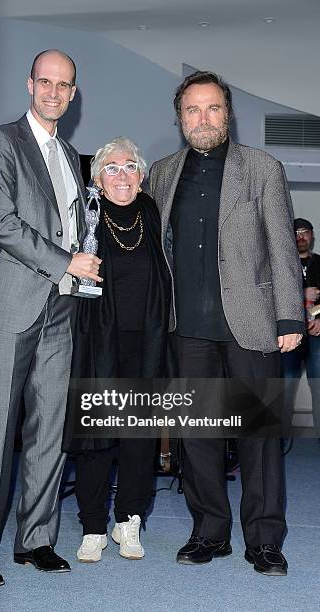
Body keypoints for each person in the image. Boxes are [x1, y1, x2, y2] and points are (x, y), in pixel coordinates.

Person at [0, 137, 171, 563]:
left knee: (139, 438)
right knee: (95, 437)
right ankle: (93, 526)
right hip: (95, 339)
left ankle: (130, 521)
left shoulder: (155, 212)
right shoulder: (84, 213)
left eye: (130, 167)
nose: (123, 174)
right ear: (97, 178)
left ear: (141, 176)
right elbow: (35, 230)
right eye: (112, 167)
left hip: (148, 341)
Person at [0, 49, 102, 589]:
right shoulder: (0, 141)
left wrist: (81, 263)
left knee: (48, 430)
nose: (54, 92)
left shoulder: (71, 155)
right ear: (29, 84)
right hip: (12, 303)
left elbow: (75, 225)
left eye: (65, 85)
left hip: (62, 307)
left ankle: (35, 539)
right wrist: (68, 262)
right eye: (46, 82)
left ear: (74, 93)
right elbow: (2, 221)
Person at [147, 70, 304, 576]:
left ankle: (263, 539)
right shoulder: (162, 173)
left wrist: (289, 316)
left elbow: (282, 247)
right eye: (192, 110)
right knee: (198, 438)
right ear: (180, 119)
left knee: (258, 436)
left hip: (253, 325)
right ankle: (209, 532)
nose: (203, 118)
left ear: (228, 113)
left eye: (212, 108)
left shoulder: (262, 167)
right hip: (186, 329)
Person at [282, 218, 320, 430]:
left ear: (312, 235)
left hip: (317, 335)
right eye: (296, 232)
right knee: (285, 385)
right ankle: (279, 441)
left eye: (305, 232)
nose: (301, 236)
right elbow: (273, 298)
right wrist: (302, 293)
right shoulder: (283, 266)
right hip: (290, 336)